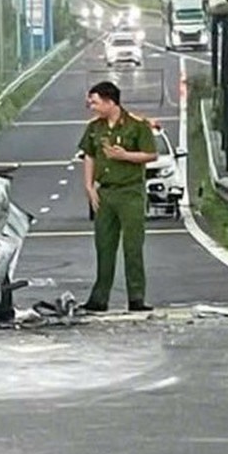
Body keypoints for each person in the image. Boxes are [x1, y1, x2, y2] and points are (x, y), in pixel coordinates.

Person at [78, 81, 158, 313]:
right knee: (104, 245)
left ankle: (136, 297)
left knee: (133, 247)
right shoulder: (95, 127)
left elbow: (151, 155)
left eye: (95, 102)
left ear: (110, 101)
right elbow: (89, 156)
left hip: (130, 192)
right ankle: (99, 298)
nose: (91, 107)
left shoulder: (137, 125)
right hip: (105, 192)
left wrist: (125, 156)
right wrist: (89, 186)